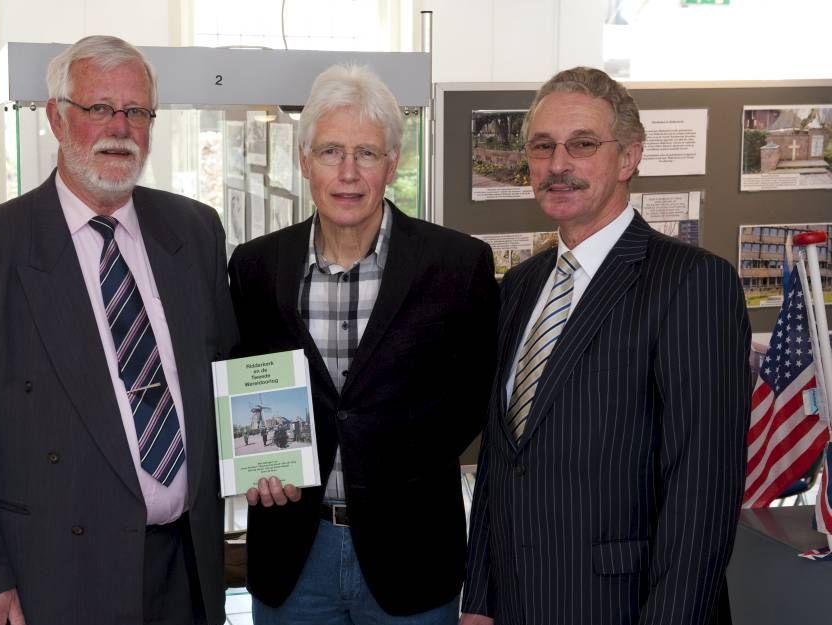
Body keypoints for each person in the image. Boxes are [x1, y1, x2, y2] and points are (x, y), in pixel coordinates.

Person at [0, 35, 237, 625]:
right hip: (58, 575)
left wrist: (273, 460)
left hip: (185, 570)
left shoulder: (195, 232)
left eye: (137, 111)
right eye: (99, 109)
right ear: (57, 119)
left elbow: (228, 375)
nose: (120, 127)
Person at [461, 67, 751, 625]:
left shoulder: (691, 283)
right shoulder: (521, 287)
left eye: (583, 144)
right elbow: (500, 461)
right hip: (520, 604)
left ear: (628, 158)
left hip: (627, 609)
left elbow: (702, 489)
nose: (558, 164)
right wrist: (480, 600)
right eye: (543, 147)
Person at [228, 64, 499, 624]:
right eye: (330, 152)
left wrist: (403, 463)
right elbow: (241, 375)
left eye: (367, 154)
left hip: (413, 551)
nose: (348, 173)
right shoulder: (255, 267)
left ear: (392, 165)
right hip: (293, 553)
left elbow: (475, 394)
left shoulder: (457, 264)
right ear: (305, 162)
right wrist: (257, 463)